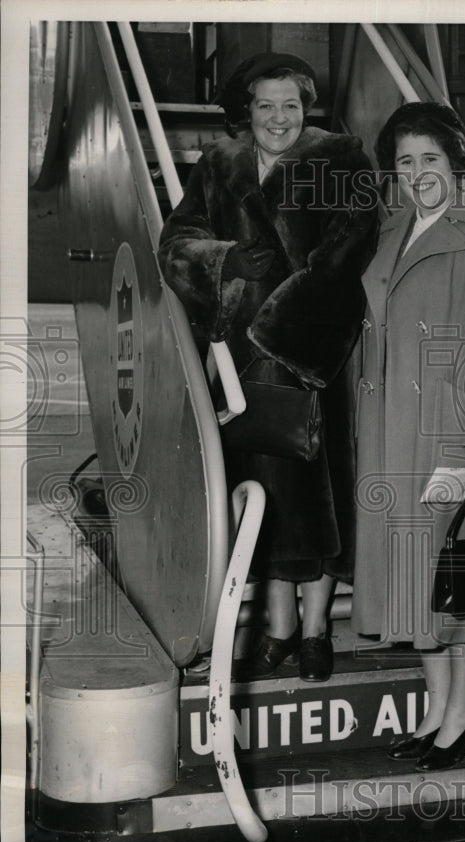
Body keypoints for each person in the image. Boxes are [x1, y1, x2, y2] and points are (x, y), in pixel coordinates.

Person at [159, 52, 376, 683]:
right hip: (240, 366)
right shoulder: (220, 162)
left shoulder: (341, 159)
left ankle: (315, 633)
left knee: (316, 495)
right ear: (245, 109)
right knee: (264, 496)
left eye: (290, 104)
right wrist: (226, 259)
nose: (278, 118)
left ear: (307, 107)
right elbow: (174, 243)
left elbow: (350, 250)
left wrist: (278, 325)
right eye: (264, 105)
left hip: (310, 355)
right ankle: (278, 629)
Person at [352, 102, 465, 770]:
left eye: (429, 158)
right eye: (404, 161)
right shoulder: (392, 228)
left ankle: (462, 717)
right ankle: (435, 710)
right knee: (412, 584)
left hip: (449, 431)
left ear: (455, 160)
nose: (417, 172)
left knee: (456, 578)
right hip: (390, 430)